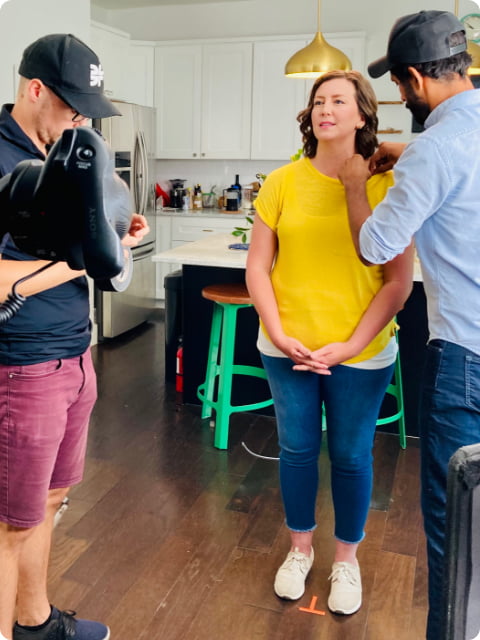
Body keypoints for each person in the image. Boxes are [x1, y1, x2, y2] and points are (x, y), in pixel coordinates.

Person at [245, 70, 413, 615]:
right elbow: (257, 266)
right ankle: (299, 550)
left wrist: (348, 346)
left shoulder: (389, 185)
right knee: (295, 449)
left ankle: (346, 559)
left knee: (349, 454)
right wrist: (276, 330)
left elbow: (397, 283)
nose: (326, 108)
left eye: (340, 100)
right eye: (319, 100)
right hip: (287, 346)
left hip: (360, 353)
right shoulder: (282, 183)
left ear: (362, 114)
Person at [0, 34, 149, 640]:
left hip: (75, 356)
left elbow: (84, 232)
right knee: (10, 524)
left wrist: (115, 230)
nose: (81, 118)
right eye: (72, 105)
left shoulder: (65, 152)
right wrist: (88, 255)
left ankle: (35, 623)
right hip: (22, 366)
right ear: (35, 89)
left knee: (51, 502)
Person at [338, 10, 480, 640]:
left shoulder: (435, 149)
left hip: (466, 364)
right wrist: (408, 153)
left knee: (457, 535)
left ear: (417, 79)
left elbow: (375, 246)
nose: (400, 95)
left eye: (399, 85)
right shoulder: (449, 141)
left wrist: (352, 188)